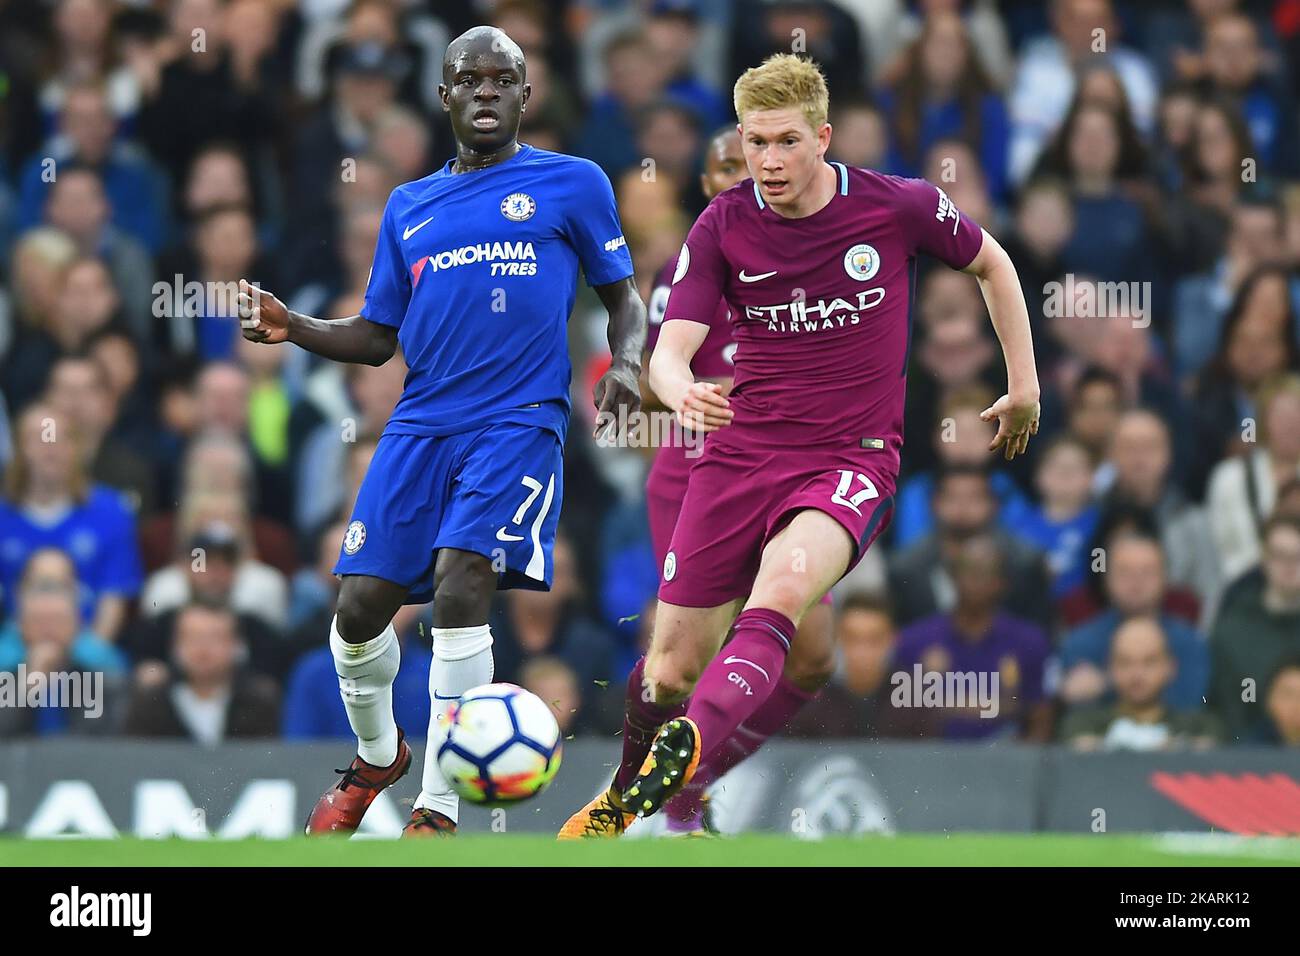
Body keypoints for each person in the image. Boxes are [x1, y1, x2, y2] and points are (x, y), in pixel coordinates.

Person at [561, 53, 1039, 833]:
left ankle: (688, 767)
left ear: (823, 138)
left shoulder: (897, 208)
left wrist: (1024, 385)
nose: (768, 162)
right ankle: (632, 798)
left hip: (849, 459)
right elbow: (668, 351)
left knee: (784, 590)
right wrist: (681, 392)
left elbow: (992, 261)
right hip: (740, 457)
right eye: (755, 144)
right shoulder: (721, 226)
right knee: (671, 666)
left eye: (785, 142)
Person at [235, 27, 644, 838]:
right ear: (444, 96)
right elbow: (377, 337)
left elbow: (623, 299)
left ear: (526, 97)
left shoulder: (573, 183)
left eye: (503, 80)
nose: (485, 92)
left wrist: (627, 365)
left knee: (462, 582)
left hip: (519, 420)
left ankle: (440, 806)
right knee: (356, 612)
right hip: (420, 423)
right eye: (469, 80)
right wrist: (296, 326)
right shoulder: (409, 206)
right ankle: (379, 755)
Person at [1059, 616, 1222, 752]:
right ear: (1109, 668)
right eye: (1125, 662)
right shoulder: (1080, 725)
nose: (1137, 674)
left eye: (1149, 662)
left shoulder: (1200, 727)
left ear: (1170, 667)